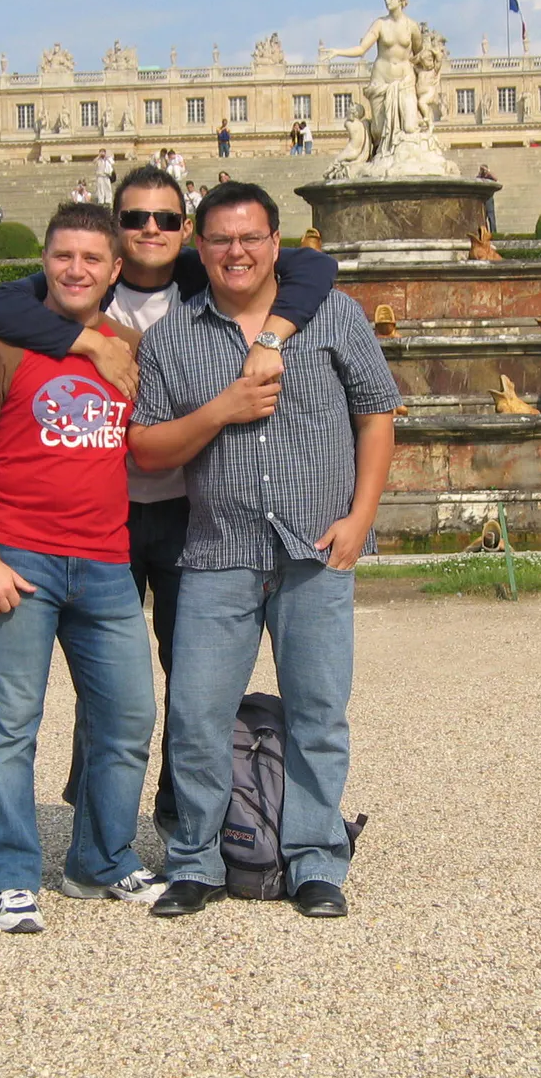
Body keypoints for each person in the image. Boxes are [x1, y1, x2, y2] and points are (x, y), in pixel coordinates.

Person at [0, 167, 337, 838]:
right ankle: (96, 811)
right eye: (136, 218)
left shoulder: (206, 280)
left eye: (167, 220)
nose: (150, 230)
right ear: (116, 231)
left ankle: (176, 812)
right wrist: (84, 340)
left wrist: (270, 335)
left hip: (184, 510)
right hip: (103, 511)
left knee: (186, 670)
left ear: (187, 232)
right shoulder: (72, 289)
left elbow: (316, 266)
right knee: (102, 678)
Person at [128, 181, 400, 920]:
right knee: (196, 713)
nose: (236, 251)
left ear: (277, 243)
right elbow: (147, 445)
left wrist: (360, 518)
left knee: (319, 710)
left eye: (251, 237)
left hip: (317, 546)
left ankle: (315, 857)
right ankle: (195, 859)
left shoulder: (333, 316)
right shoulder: (175, 337)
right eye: (220, 239)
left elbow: (378, 414)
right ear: (200, 247)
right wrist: (222, 410)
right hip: (219, 548)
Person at [0, 201, 162, 934]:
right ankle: (9, 876)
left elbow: (147, 442)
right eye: (63, 255)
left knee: (130, 717)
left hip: (105, 561)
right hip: (20, 559)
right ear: (44, 259)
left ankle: (97, 859)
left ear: (114, 270)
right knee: (10, 725)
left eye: (92, 259)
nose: (76, 270)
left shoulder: (126, 345)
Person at [477, 165, 498, 235]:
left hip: (489, 198)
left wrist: (488, 172)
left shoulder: (489, 177)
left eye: (483, 169)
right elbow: (475, 180)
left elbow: (495, 179)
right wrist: (480, 174)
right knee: (482, 218)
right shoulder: (479, 177)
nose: (482, 171)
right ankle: (484, 234)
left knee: (491, 217)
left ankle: (494, 233)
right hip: (481, 200)